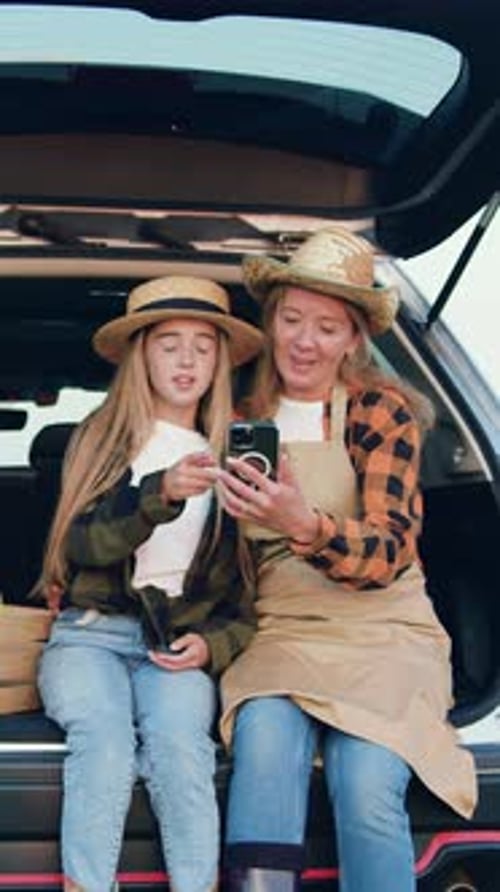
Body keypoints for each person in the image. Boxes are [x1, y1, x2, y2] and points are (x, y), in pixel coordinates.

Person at [217, 227, 477, 892]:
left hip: (384, 635)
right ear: (270, 322)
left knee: (364, 783)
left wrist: (304, 523)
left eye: (327, 327)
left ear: (356, 339)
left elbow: (390, 548)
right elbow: (214, 561)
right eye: (292, 319)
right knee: (264, 747)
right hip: (284, 634)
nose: (305, 342)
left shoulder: (379, 410)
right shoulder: (242, 418)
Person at [36, 275, 263, 892]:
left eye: (202, 345)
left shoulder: (236, 455)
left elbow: (249, 598)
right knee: (105, 745)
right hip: (88, 639)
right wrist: (157, 494)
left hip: (175, 648)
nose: (186, 360)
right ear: (142, 356)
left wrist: (211, 648)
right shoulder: (103, 440)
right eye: (168, 344)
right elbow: (82, 544)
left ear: (219, 360)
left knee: (181, 751)